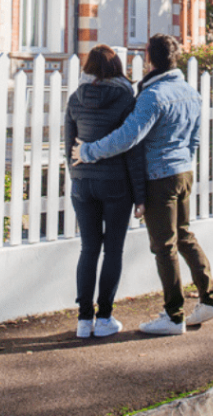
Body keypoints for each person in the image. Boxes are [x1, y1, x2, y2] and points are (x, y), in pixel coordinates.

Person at [72, 33, 213, 336]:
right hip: (184, 172)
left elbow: (127, 137)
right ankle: (209, 299)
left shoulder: (152, 96)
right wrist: (183, 161)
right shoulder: (190, 92)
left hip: (159, 177)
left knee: (163, 246)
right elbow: (194, 138)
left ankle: (174, 315)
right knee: (184, 236)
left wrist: (88, 151)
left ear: (150, 58)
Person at [65, 45, 146, 339]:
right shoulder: (126, 98)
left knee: (88, 249)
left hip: (83, 185)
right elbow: (132, 150)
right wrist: (140, 196)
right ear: (117, 68)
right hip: (116, 184)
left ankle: (84, 320)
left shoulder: (75, 98)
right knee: (113, 250)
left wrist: (78, 177)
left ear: (88, 68)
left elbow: (68, 146)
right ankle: (105, 318)